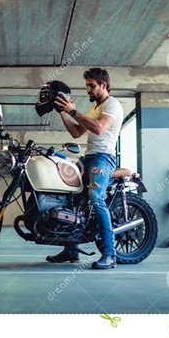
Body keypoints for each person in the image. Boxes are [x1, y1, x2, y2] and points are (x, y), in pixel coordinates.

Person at [46, 68, 124, 269]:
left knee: (96, 198)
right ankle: (71, 251)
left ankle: (110, 254)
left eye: (92, 85)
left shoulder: (112, 105)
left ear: (104, 85)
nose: (88, 89)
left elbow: (98, 128)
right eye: (87, 85)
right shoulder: (93, 109)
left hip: (103, 158)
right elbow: (76, 132)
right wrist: (63, 112)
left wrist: (73, 110)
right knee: (70, 198)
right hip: (88, 157)